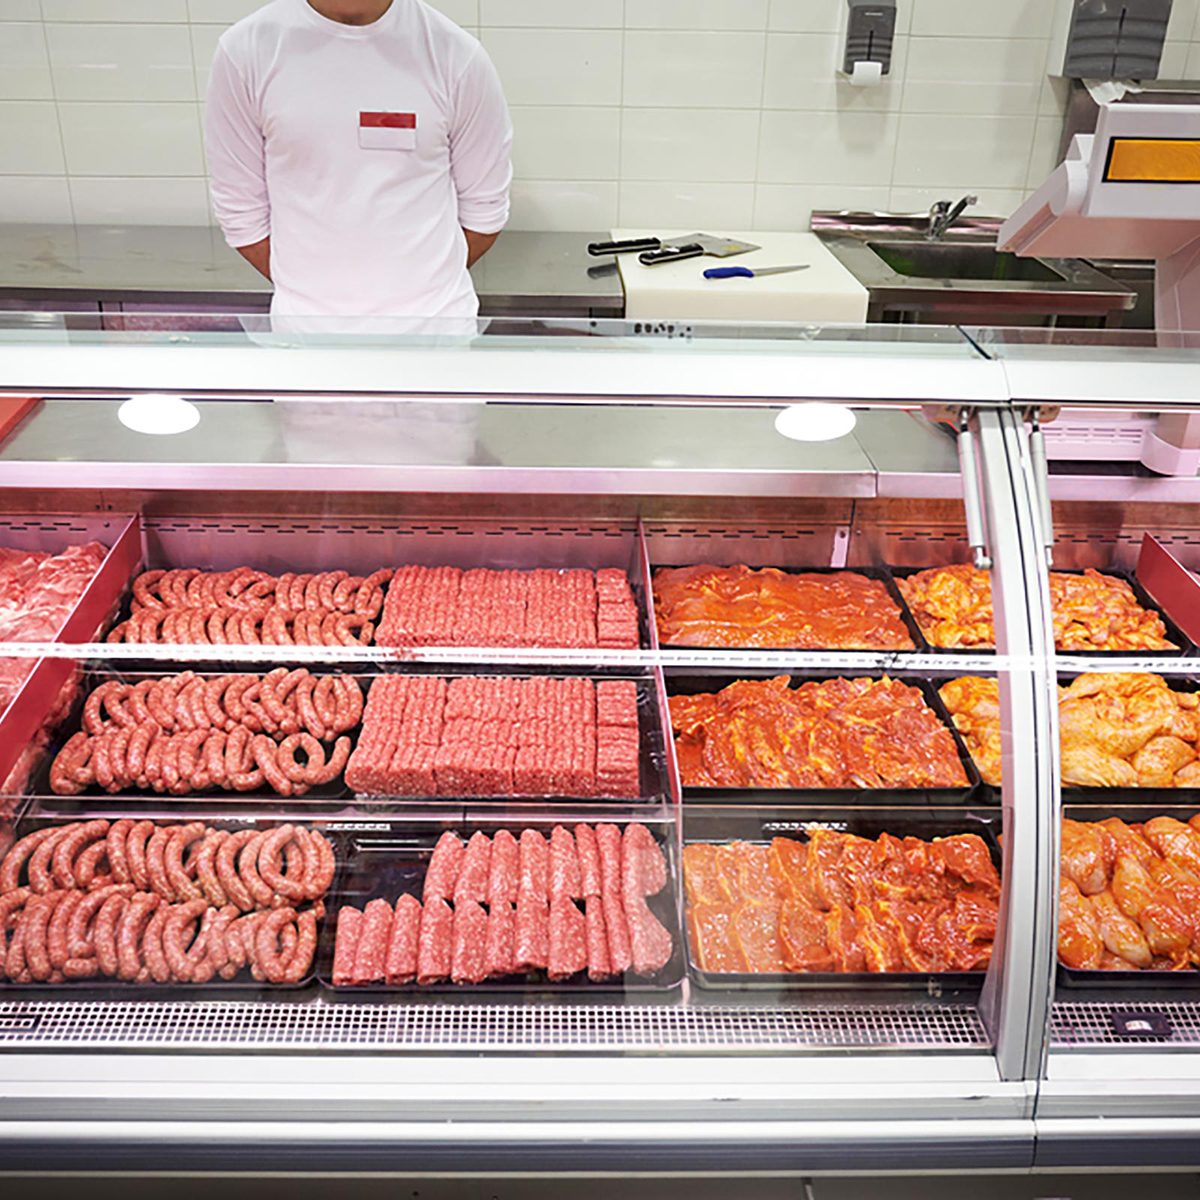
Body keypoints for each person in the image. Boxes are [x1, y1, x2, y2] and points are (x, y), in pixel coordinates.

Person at [205, 0, 513, 326]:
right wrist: (316, 296)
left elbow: (485, 209)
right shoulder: (245, 51)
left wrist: (417, 291)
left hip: (436, 331)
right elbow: (240, 211)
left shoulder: (456, 55)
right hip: (305, 337)